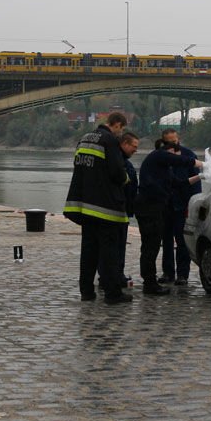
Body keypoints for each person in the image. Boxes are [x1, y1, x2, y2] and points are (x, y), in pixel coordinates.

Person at [63, 112, 132, 304]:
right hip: (105, 207)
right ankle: (113, 294)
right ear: (117, 124)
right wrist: (127, 179)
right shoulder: (109, 141)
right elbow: (117, 172)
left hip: (86, 206)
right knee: (109, 252)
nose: (122, 133)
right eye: (122, 129)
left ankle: (86, 291)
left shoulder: (85, 138)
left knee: (89, 251)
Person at [135, 139, 202, 295]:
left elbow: (179, 183)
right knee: (150, 247)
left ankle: (150, 282)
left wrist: (200, 177)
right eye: (174, 156)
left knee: (152, 245)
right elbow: (180, 160)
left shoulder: (165, 169)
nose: (173, 160)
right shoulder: (157, 156)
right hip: (148, 207)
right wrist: (201, 164)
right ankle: (150, 284)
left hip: (156, 208)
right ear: (169, 152)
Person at [159, 129, 201, 286]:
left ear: (178, 140)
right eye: (169, 141)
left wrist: (193, 203)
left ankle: (183, 274)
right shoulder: (160, 156)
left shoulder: (189, 155)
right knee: (166, 240)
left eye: (174, 141)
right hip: (165, 204)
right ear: (163, 142)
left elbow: (196, 182)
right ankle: (167, 272)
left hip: (182, 204)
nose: (172, 143)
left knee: (182, 240)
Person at [118, 132, 140, 286]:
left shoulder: (122, 160)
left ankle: (116, 274)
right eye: (134, 146)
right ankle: (115, 276)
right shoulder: (120, 162)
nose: (136, 150)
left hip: (123, 210)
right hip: (118, 211)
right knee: (117, 245)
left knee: (119, 246)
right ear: (125, 143)